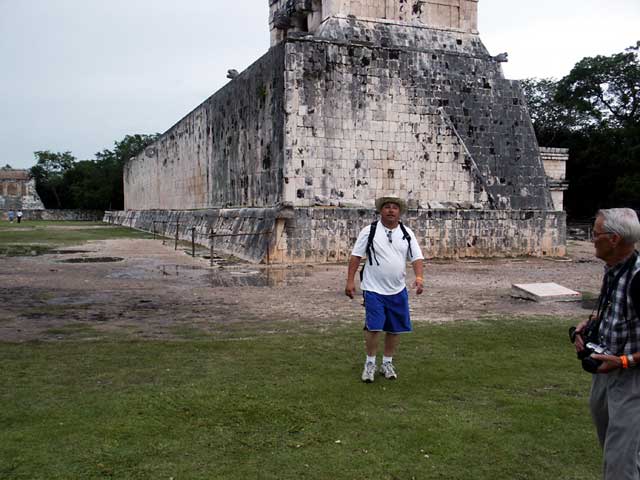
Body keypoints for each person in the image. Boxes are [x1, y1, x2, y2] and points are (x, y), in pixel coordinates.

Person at [573, 208, 640, 480]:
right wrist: (590, 325)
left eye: (596, 234)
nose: (592, 239)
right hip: (605, 370)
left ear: (614, 239)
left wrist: (624, 361)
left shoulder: (638, 278)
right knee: (616, 452)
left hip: (630, 378)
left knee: (620, 464)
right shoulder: (613, 269)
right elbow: (619, 312)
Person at [345, 195, 424, 383]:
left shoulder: (406, 233)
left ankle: (387, 363)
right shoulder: (369, 231)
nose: (390, 210)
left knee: (395, 328)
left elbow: (416, 257)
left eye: (394, 207)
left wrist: (419, 277)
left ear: (399, 212)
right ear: (381, 210)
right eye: (387, 207)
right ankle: (370, 363)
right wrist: (350, 281)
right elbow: (356, 256)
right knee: (374, 327)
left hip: (397, 289)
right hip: (373, 288)